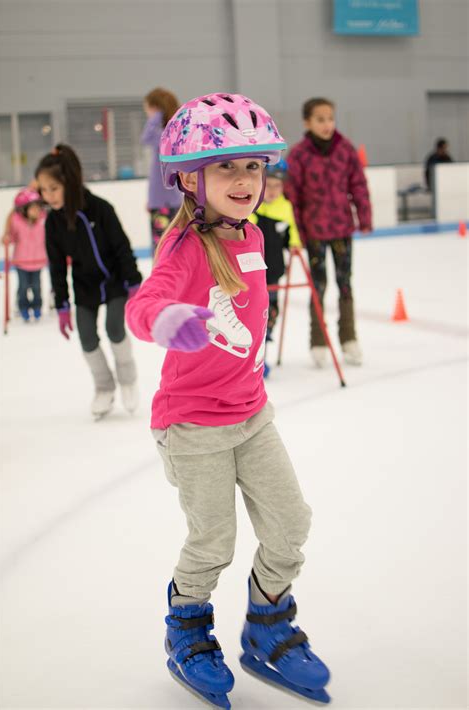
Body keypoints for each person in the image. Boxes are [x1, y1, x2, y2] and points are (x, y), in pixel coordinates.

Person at [126, 93, 331, 709]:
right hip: (192, 425)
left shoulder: (252, 234)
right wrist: (167, 321)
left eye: (252, 166)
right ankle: (186, 629)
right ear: (191, 176)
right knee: (213, 540)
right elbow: (144, 304)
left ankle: (268, 626)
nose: (244, 180)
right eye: (226, 167)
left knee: (291, 523)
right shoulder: (184, 244)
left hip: (252, 412)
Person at [35, 144, 142, 420]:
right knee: (86, 336)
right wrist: (61, 303)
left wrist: (134, 281)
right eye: (43, 190)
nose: (48, 196)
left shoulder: (101, 209)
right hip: (85, 286)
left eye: (53, 188)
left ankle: (127, 380)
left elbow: (121, 246)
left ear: (69, 183)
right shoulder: (53, 223)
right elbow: (57, 266)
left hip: (115, 280)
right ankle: (104, 387)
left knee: (115, 328)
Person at [285, 97, 372, 368]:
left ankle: (349, 338)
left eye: (330, 118)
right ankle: (318, 340)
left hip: (341, 228)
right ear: (307, 122)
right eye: (320, 119)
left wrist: (364, 215)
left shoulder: (345, 149)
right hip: (313, 233)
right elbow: (292, 198)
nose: (327, 124)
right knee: (318, 286)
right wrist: (296, 234)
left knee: (345, 283)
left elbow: (358, 184)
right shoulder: (299, 155)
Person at [249, 159, 301, 377]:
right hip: (253, 273)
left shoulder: (285, 207)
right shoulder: (252, 205)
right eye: (268, 186)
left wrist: (295, 245)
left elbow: (292, 233)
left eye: (277, 186)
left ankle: (265, 351)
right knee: (253, 315)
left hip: (275, 270)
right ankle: (254, 357)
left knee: (270, 313)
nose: (273, 191)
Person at [141, 88, 182, 255]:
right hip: (169, 200)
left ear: (155, 107)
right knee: (171, 245)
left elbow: (145, 139)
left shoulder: (165, 134)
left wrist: (156, 116)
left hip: (165, 201)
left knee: (162, 248)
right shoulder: (171, 131)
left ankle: (164, 279)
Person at [1, 187, 47, 322]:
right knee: (23, 286)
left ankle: (37, 306)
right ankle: (23, 307)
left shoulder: (43, 221)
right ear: (24, 210)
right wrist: (7, 238)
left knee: (37, 286)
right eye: (33, 208)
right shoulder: (17, 222)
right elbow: (12, 237)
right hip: (22, 261)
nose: (36, 211)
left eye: (38, 207)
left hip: (38, 261)